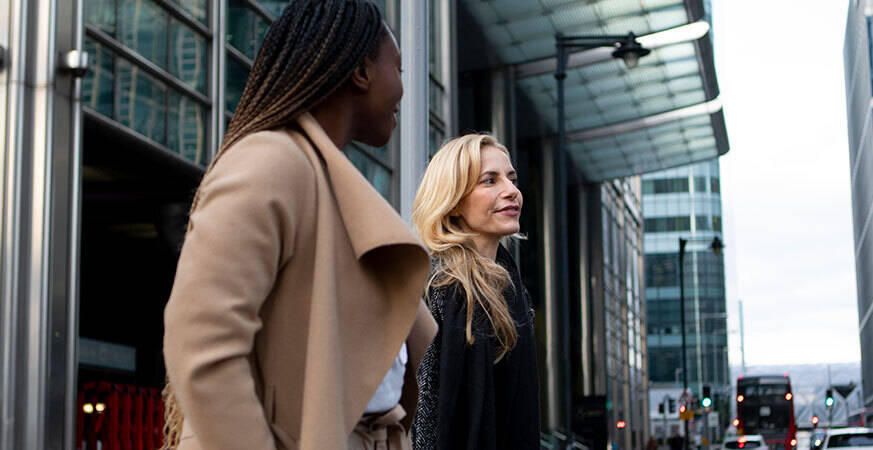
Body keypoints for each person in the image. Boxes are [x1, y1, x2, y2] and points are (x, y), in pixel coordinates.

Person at [161, 1, 435, 449]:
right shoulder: (271, 162)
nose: (403, 88)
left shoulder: (326, 180)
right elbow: (202, 345)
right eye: (398, 69)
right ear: (362, 72)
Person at [410, 134, 540, 449]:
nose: (511, 191)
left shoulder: (514, 295)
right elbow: (424, 410)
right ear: (453, 201)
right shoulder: (435, 286)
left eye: (512, 178)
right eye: (489, 181)